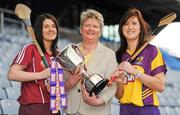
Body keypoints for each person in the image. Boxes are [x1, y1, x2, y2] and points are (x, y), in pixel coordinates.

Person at [112, 8, 167, 115]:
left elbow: (160, 86)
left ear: (140, 28)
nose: (130, 27)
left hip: (146, 110)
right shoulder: (119, 56)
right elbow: (119, 95)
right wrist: (119, 82)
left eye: (134, 23)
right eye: (126, 24)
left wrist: (134, 71)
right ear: (121, 29)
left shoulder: (152, 51)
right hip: (124, 110)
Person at [64, 9, 117, 115]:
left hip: (96, 111)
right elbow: (60, 82)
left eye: (95, 26)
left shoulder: (109, 54)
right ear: (80, 29)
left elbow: (113, 85)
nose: (90, 29)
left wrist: (98, 101)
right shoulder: (70, 51)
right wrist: (70, 83)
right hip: (72, 110)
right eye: (87, 25)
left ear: (100, 31)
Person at [8, 13, 60, 115]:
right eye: (46, 26)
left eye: (54, 26)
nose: (51, 29)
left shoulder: (58, 54)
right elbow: (12, 74)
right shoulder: (30, 48)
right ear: (39, 31)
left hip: (54, 107)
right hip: (33, 107)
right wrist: (41, 75)